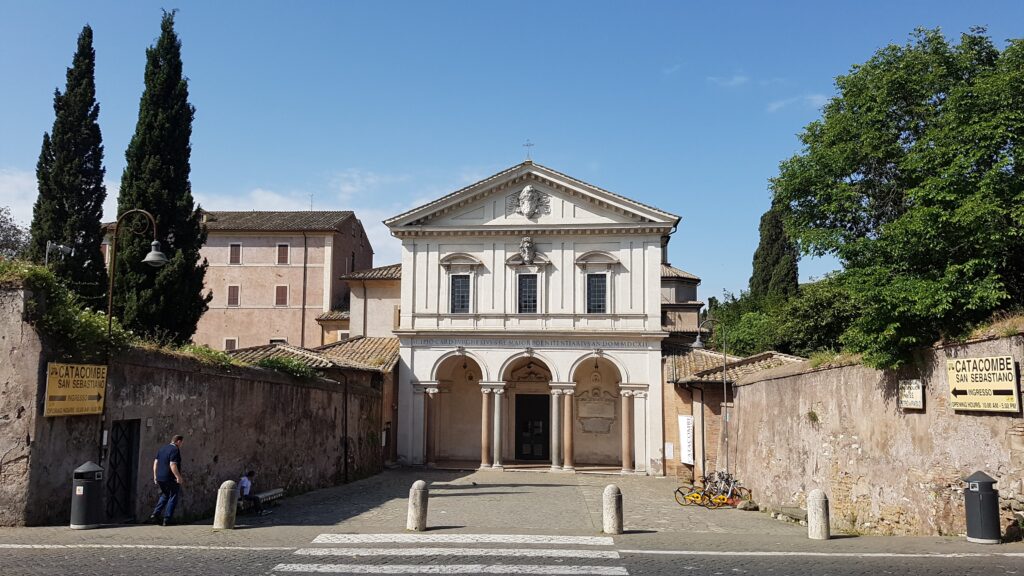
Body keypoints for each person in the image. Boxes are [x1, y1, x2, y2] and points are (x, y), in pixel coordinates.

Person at [148, 435, 184, 526]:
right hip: (170, 477)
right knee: (173, 496)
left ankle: (155, 514)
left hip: (160, 477)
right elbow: (173, 465)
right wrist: (178, 477)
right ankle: (167, 519)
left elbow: (155, 463)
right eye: (182, 443)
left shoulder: (162, 449)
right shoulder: (175, 450)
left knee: (165, 495)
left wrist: (155, 476)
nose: (182, 445)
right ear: (178, 441)